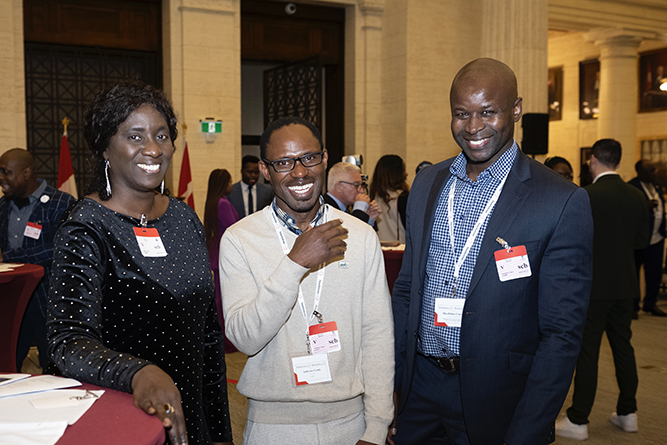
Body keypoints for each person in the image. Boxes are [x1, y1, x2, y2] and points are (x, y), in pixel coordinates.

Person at [391, 58, 594, 445]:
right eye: (461, 113)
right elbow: (406, 290)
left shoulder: (560, 200)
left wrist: (528, 430)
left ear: (516, 109)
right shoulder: (428, 183)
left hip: (498, 399)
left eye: (487, 112)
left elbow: (561, 335)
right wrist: (393, 385)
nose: (472, 127)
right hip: (419, 390)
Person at [47, 81, 233, 445]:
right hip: (122, 417)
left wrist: (219, 431)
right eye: (135, 136)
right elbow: (67, 342)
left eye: (162, 135)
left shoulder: (184, 218)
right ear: (104, 147)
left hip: (190, 419)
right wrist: (138, 372)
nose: (153, 148)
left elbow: (208, 335)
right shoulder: (85, 227)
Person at [219, 116, 394, 445]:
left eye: (309, 158)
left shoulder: (361, 236)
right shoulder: (240, 239)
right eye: (283, 162)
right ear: (266, 170)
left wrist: (377, 426)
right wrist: (294, 263)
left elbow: (378, 335)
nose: (299, 172)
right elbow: (245, 338)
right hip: (272, 429)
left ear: (324, 159)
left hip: (351, 424)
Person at [556, 139, 649, 440]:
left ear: (592, 160)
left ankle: (578, 419)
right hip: (626, 285)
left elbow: (573, 241)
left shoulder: (586, 195)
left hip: (593, 286)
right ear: (619, 162)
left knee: (588, 352)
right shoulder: (637, 196)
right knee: (623, 347)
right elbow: (642, 242)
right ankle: (628, 413)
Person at [0, 148, 75, 372]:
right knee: (7, 365)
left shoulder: (61, 203)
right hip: (13, 302)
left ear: (26, 172)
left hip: (49, 303)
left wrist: (9, 258)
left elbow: (60, 248)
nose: (1, 178)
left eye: (6, 172)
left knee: (52, 367)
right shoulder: (3, 206)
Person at [204, 168, 240, 353]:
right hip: (224, 256)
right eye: (229, 181)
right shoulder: (223, 204)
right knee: (223, 300)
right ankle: (227, 340)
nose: (231, 185)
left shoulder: (214, 201)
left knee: (219, 299)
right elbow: (233, 229)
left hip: (216, 255)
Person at [628, 159, 667, 317]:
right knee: (635, 273)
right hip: (640, 238)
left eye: (654, 170)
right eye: (650, 171)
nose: (654, 173)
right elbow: (629, 210)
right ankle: (633, 306)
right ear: (640, 172)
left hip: (657, 237)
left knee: (654, 273)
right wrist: (645, 205)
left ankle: (650, 304)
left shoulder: (656, 186)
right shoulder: (631, 187)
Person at [323, 161, 381, 227]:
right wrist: (359, 210)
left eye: (362, 185)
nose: (361, 191)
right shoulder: (325, 209)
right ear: (339, 187)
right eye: (356, 185)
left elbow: (359, 232)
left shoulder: (345, 208)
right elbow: (349, 231)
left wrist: (370, 219)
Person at [369, 155, 410, 244]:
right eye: (403, 170)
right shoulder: (402, 197)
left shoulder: (371, 196)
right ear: (395, 174)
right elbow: (410, 227)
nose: (406, 174)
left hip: (378, 246)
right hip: (399, 248)